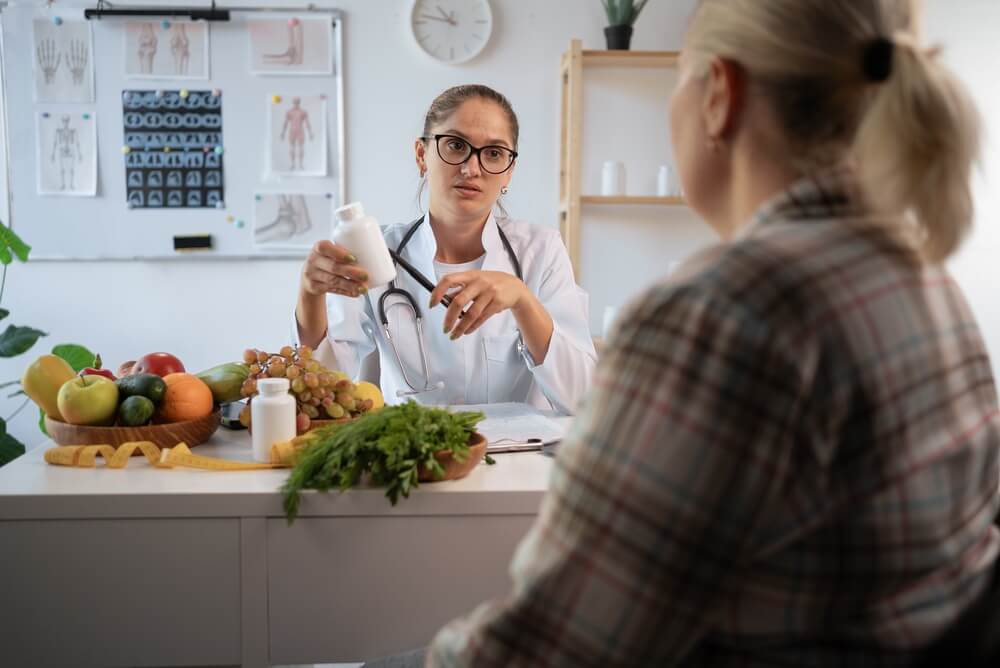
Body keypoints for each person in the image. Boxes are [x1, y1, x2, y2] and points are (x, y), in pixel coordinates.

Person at [418, 1, 1000, 665]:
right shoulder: (929, 283)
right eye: (455, 147)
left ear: (719, 96)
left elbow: (545, 651)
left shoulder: (722, 315)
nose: (470, 166)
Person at [295, 85, 596, 413]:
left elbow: (584, 400)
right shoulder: (375, 252)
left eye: (493, 153)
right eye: (455, 145)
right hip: (411, 454)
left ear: (509, 170)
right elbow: (320, 388)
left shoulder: (541, 250)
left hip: (520, 458)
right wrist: (311, 295)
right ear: (422, 155)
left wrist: (523, 301)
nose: (472, 168)